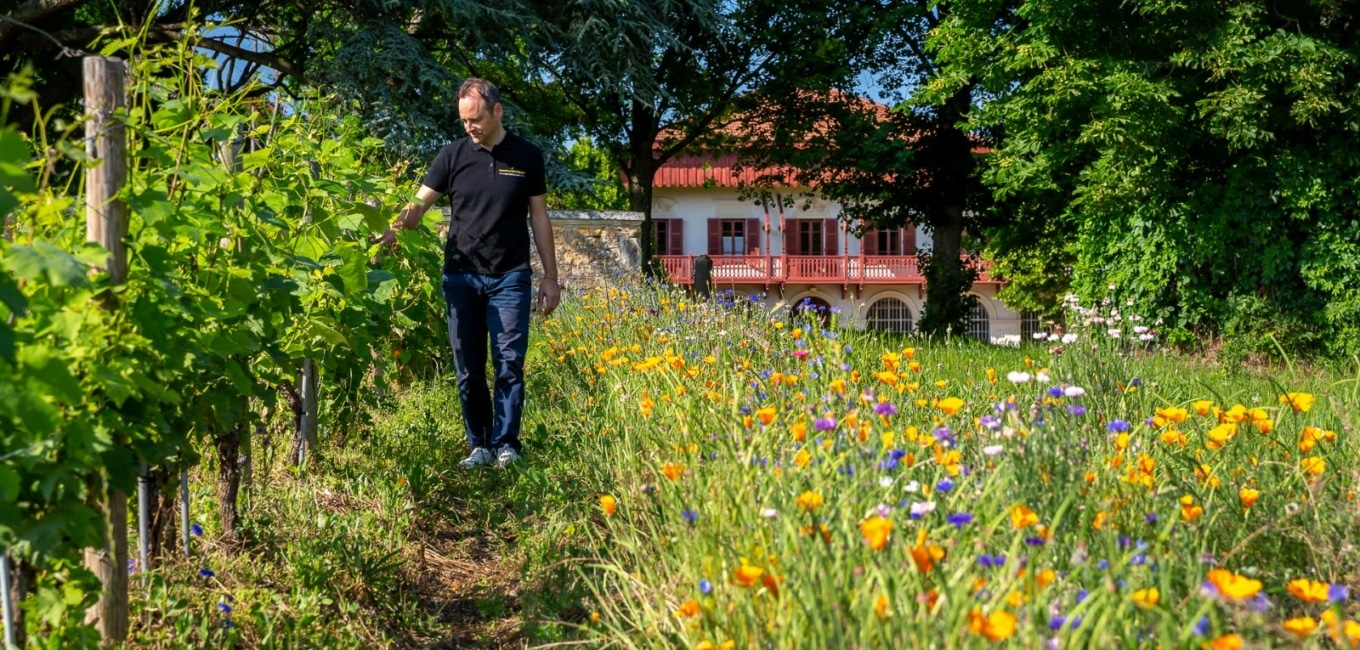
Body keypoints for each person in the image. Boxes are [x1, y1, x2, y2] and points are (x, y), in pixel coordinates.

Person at [377, 78, 560, 469]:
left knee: (509, 361)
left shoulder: (527, 156)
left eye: (475, 119)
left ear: (497, 112)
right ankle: (479, 444)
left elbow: (540, 217)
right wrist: (393, 228)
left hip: (510, 275)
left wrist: (550, 276)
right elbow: (420, 204)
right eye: (463, 121)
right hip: (461, 276)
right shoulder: (451, 156)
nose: (469, 127)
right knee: (469, 367)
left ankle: (507, 443)